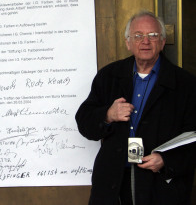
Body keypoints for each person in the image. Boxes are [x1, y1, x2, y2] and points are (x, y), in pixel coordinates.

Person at [75, 10, 196, 205]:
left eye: (153, 35)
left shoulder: (186, 84)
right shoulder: (108, 76)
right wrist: (108, 114)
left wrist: (167, 160)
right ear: (128, 42)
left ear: (163, 42)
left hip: (160, 187)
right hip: (113, 183)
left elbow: (193, 140)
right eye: (138, 36)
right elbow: (84, 122)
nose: (145, 41)